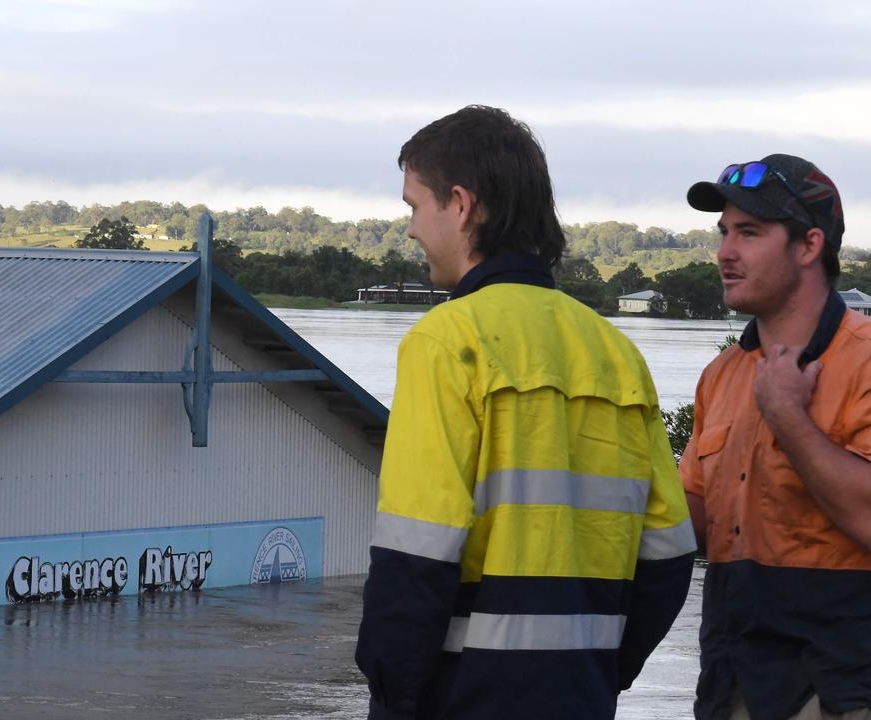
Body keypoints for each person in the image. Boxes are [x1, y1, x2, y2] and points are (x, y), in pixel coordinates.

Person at [355, 104, 695, 720]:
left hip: (461, 697)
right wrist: (602, 673)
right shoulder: (617, 354)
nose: (408, 229)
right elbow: (668, 556)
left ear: (460, 205)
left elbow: (416, 555)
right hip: (581, 696)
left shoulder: (447, 340)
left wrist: (392, 696)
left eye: (413, 205)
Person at [681, 155, 871, 720]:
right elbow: (688, 519)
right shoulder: (722, 375)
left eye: (750, 233)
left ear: (810, 246)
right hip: (732, 682)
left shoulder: (864, 361)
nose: (725, 252)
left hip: (843, 690)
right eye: (723, 233)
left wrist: (788, 416)